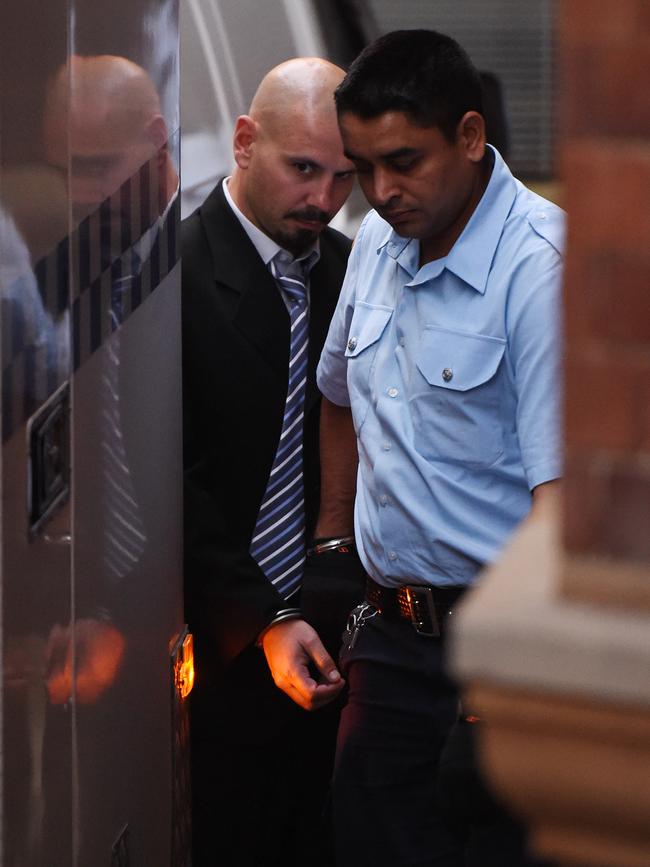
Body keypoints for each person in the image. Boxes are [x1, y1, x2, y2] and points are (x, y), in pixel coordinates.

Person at [314, 30, 565, 867]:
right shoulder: (382, 238)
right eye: (362, 166)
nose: (381, 192)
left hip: (501, 665)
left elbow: (562, 514)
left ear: (469, 134)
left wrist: (498, 694)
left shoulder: (541, 270)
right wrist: (332, 546)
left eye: (404, 161)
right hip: (387, 644)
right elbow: (338, 396)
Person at [182, 58, 363, 867]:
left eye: (343, 177)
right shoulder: (171, 278)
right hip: (215, 650)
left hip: (336, 637)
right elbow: (170, 484)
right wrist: (263, 617)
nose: (324, 201)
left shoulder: (354, 272)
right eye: (304, 170)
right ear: (245, 142)